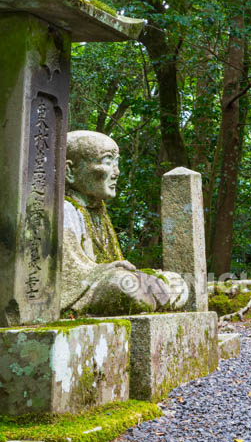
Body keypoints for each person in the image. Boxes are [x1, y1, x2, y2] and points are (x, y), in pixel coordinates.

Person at [61, 131, 189, 314]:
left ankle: (156, 292)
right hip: (92, 288)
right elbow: (69, 276)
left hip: (112, 280)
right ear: (70, 171)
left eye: (117, 163)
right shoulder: (65, 210)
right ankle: (156, 294)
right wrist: (105, 272)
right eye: (107, 162)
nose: (116, 172)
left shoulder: (99, 211)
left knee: (177, 281)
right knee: (127, 288)